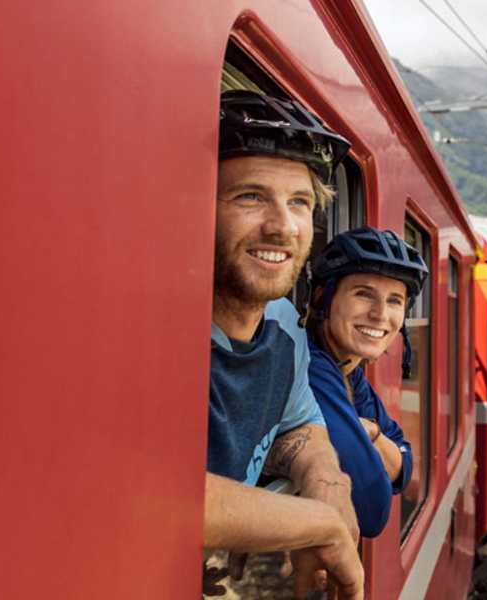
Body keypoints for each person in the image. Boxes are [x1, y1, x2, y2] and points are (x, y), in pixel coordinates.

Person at [202, 89, 363, 600]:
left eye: (299, 203)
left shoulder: (283, 330)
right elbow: (142, 492)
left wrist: (325, 481)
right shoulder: (155, 331)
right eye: (250, 197)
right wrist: (320, 525)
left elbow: (300, 426)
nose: (281, 227)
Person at [304, 227, 425, 538]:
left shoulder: (350, 371)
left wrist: (370, 433)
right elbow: (372, 508)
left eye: (395, 300)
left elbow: (405, 469)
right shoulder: (312, 367)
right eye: (363, 294)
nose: (380, 314)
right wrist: (377, 440)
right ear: (323, 297)